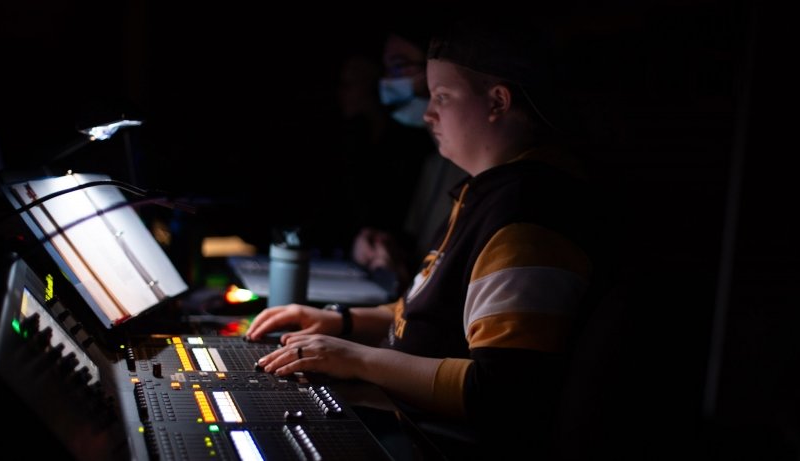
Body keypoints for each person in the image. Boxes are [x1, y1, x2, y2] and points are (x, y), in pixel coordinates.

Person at [248, 16, 604, 457]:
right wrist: (342, 322)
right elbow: (423, 313)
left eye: (442, 96)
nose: (427, 112)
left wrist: (356, 358)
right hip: (408, 417)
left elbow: (499, 392)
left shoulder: (528, 216)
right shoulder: (487, 191)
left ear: (497, 101)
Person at [349, 27, 465, 296]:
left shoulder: (481, 172)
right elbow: (424, 257)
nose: (390, 80)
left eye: (400, 66)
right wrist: (386, 251)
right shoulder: (434, 164)